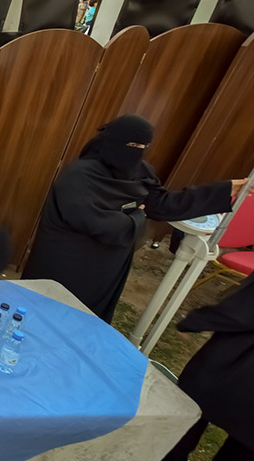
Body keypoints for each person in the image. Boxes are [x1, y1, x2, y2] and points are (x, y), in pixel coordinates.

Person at [22, 115, 241, 324]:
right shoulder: (79, 175)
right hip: (67, 263)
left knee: (85, 322)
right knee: (45, 316)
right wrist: (138, 216)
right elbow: (101, 224)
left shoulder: (140, 170)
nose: (137, 152)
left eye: (143, 146)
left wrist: (222, 191)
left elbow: (162, 204)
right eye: (132, 145)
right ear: (112, 141)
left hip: (107, 268)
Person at [149, 273, 254, 461]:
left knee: (200, 398)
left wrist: (196, 320)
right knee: (250, 435)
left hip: (239, 361)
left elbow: (243, 311)